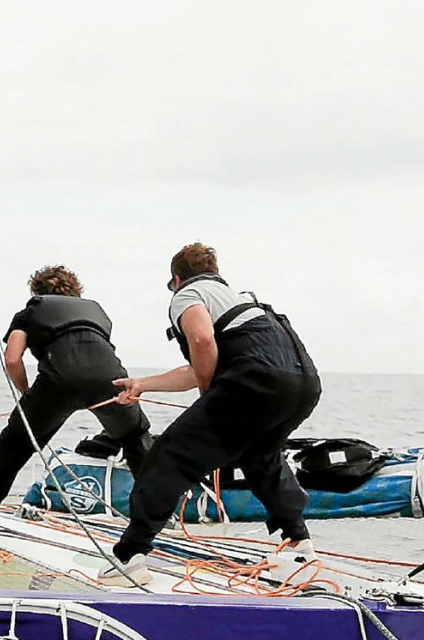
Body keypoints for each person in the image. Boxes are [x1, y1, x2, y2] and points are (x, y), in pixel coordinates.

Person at [97, 243, 322, 586]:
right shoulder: (239, 301)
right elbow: (203, 363)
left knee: (169, 456)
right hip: (301, 383)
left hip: (256, 380)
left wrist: (209, 395)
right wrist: (143, 385)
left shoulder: (187, 294)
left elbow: (202, 341)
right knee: (261, 456)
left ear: (176, 279)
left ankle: (129, 558)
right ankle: (300, 547)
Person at [0, 265, 154, 544]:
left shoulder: (32, 310)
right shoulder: (96, 311)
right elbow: (94, 353)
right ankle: (155, 520)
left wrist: (26, 393)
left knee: (13, 449)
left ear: (37, 290)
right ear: (75, 290)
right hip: (109, 379)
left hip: (58, 381)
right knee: (136, 439)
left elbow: (12, 358)